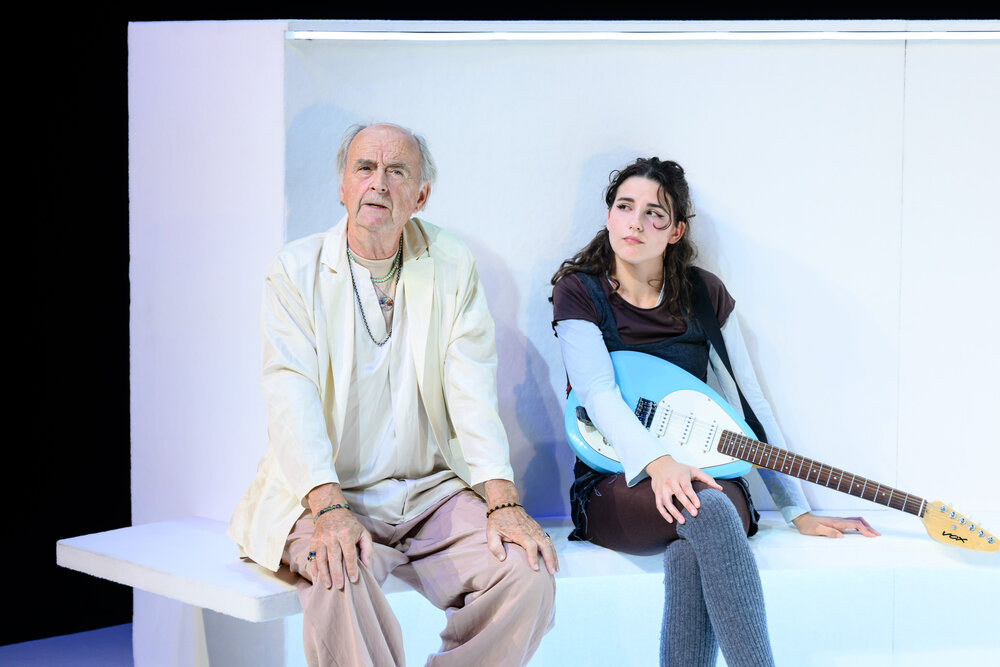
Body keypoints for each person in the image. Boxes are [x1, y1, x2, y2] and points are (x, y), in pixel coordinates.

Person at [229, 122, 556, 667]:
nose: (378, 183)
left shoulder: (450, 261)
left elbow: (472, 391)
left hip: (430, 495)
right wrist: (329, 506)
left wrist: (503, 502)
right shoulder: (294, 271)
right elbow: (290, 396)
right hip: (327, 494)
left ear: (420, 197)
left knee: (527, 572)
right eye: (365, 168)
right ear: (343, 186)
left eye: (396, 171)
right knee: (336, 571)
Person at [550, 157, 878, 666]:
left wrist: (795, 509)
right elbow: (596, 392)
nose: (636, 223)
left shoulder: (704, 294)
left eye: (655, 214)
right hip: (615, 483)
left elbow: (750, 403)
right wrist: (659, 465)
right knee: (705, 510)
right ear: (609, 216)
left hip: (710, 476)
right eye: (625, 207)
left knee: (696, 534)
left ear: (676, 230)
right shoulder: (579, 291)